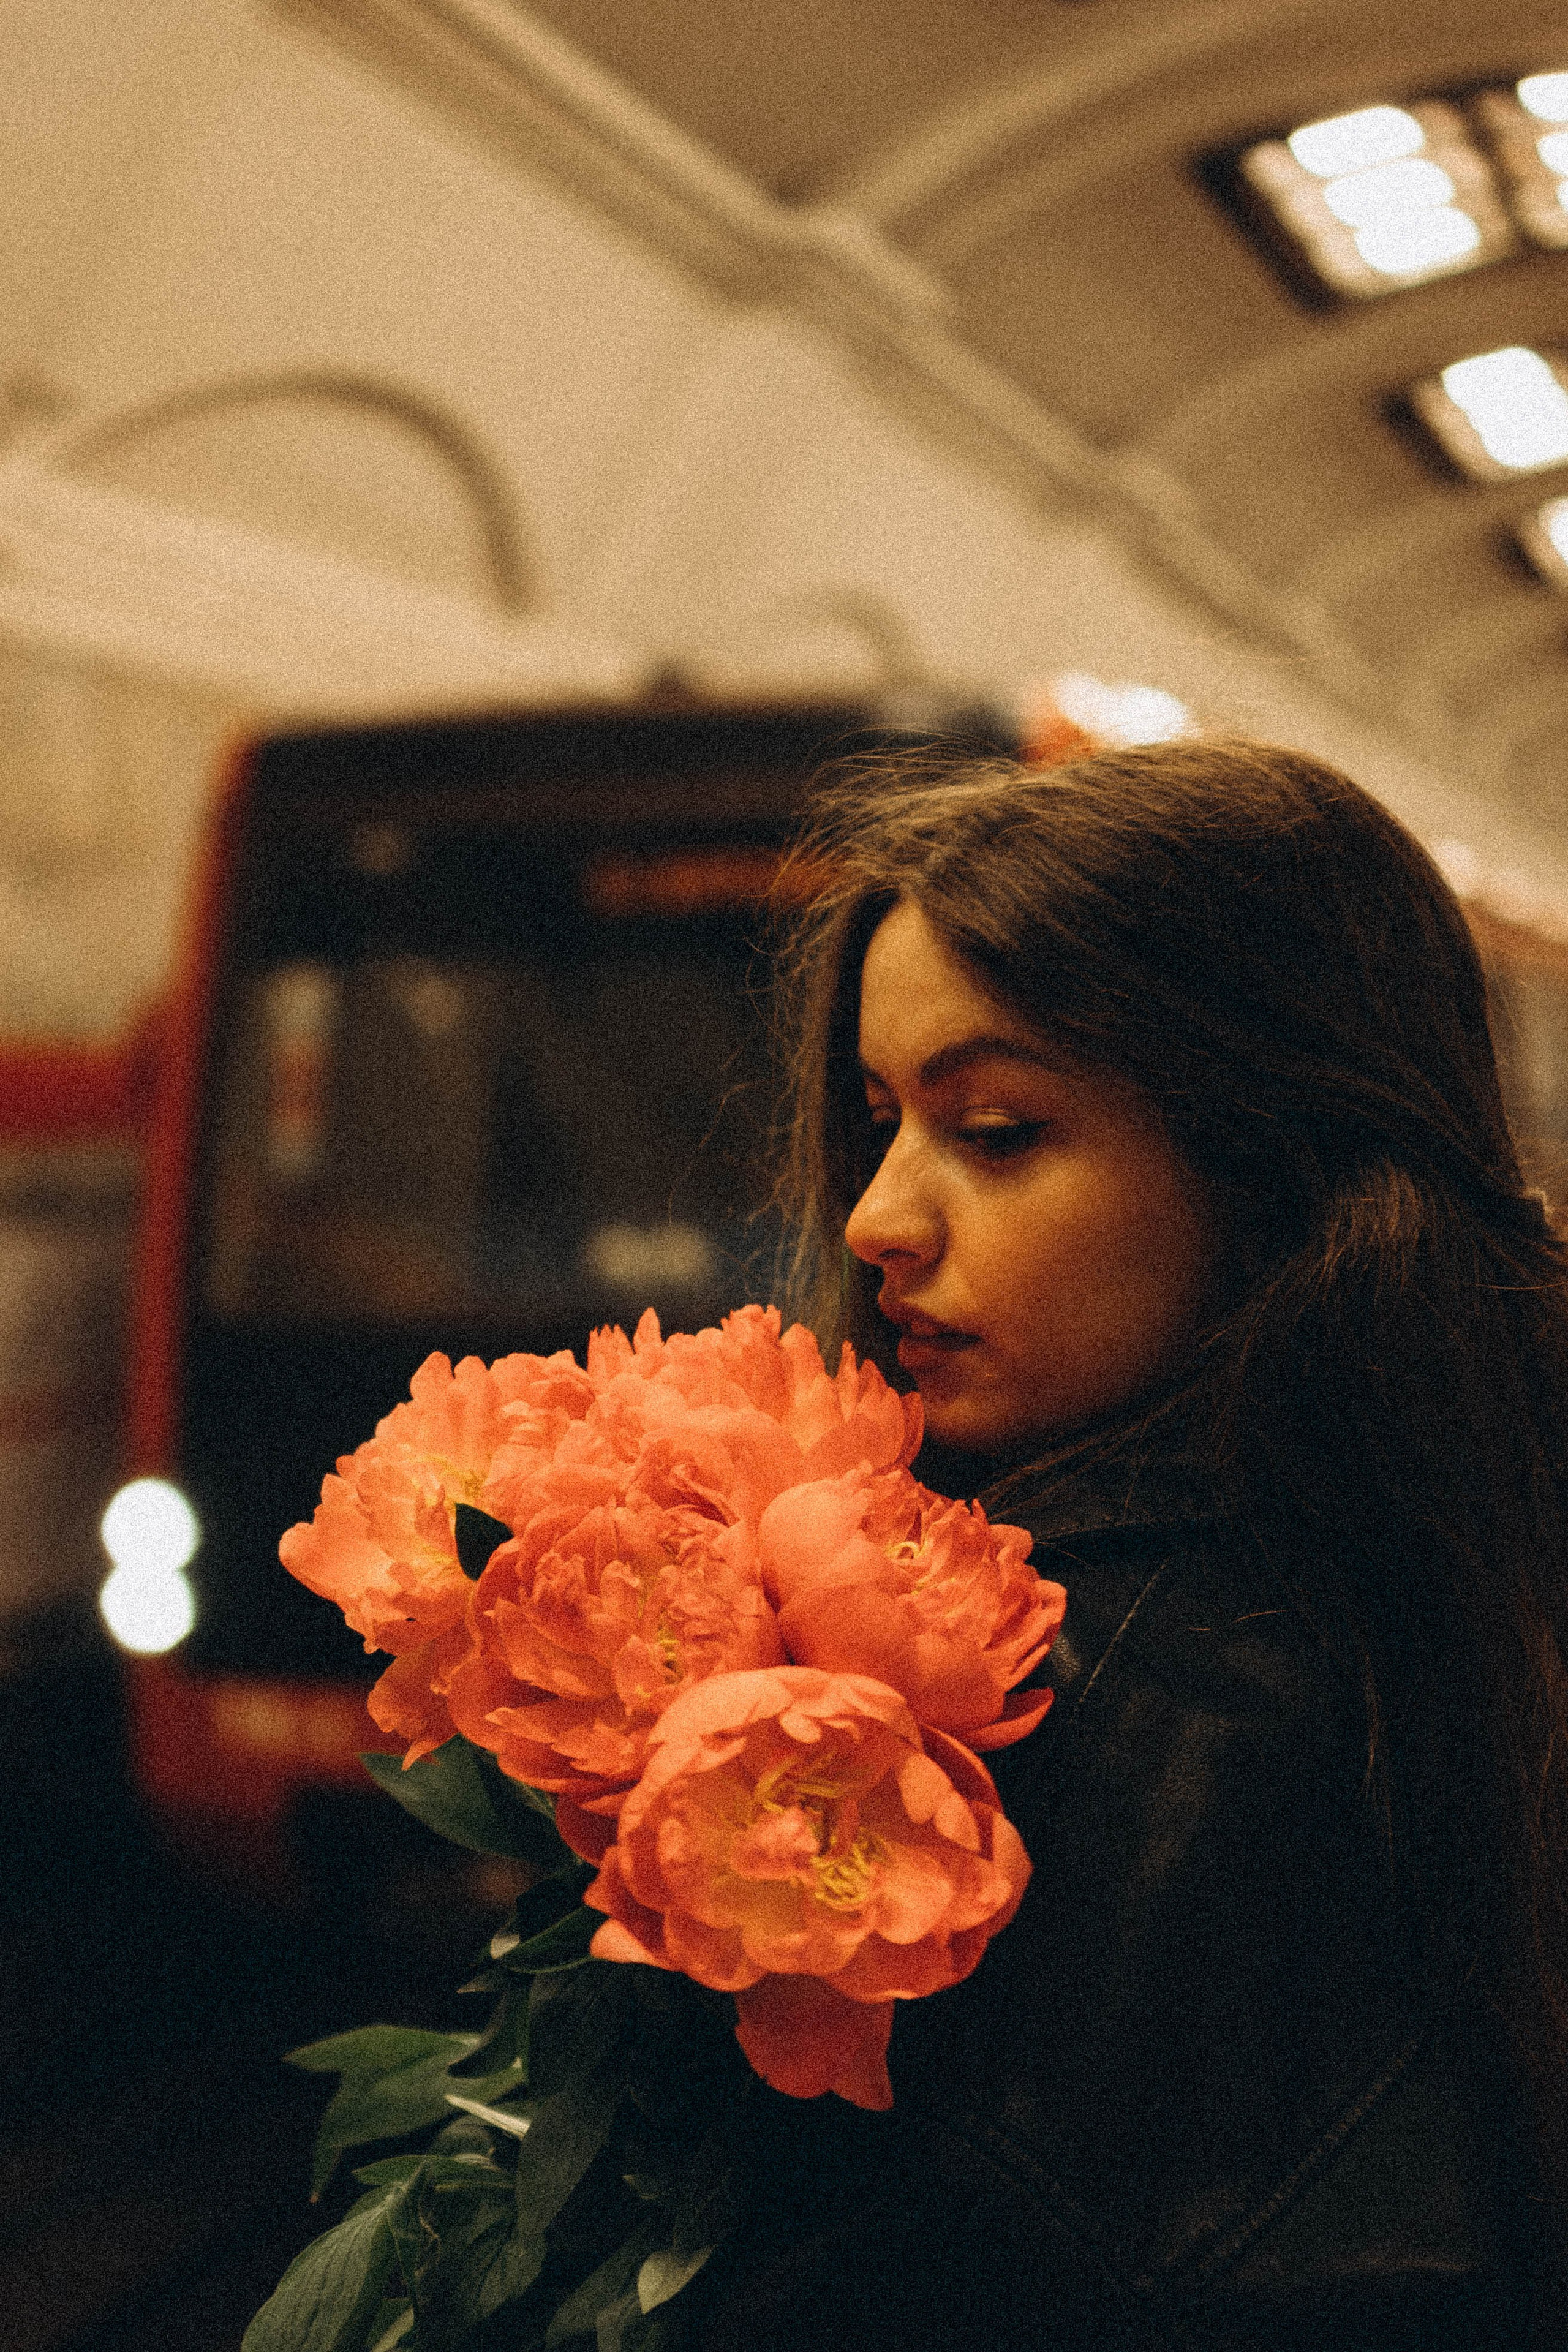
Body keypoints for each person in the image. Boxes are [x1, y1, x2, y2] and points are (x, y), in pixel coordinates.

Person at [684, 736, 1568, 2351]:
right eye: (882, 1118)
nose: (880, 1214)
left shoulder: (1062, 1708)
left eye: (998, 1129)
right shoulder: (1472, 1531)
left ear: (1277, 1160)